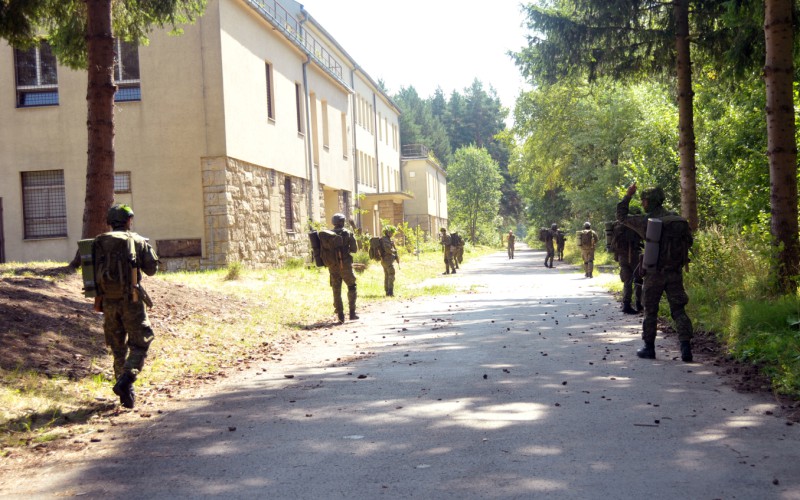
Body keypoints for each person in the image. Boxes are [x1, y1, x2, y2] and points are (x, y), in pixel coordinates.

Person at [617, 183, 694, 362]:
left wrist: (628, 195)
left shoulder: (646, 222)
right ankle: (686, 349)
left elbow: (621, 216)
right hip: (675, 273)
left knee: (650, 311)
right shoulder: (677, 220)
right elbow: (688, 242)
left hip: (654, 274)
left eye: (644, 200)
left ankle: (649, 348)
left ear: (649, 201)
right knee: (679, 310)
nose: (643, 204)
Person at [95, 204, 159, 409]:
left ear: (109, 222)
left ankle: (126, 395)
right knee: (141, 342)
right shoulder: (137, 241)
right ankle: (126, 381)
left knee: (118, 348)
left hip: (108, 303)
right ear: (128, 220)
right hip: (131, 301)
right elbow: (151, 270)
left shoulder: (97, 242)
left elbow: (85, 266)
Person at [328, 213, 359, 323]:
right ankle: (352, 313)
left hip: (332, 267)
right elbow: (354, 249)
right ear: (342, 222)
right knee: (352, 286)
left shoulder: (328, 234)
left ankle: (340, 316)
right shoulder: (347, 233)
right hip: (345, 265)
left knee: (336, 290)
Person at [612, 209, 644, 314]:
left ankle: (626, 304)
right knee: (638, 280)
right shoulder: (635, 225)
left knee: (627, 280)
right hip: (635, 256)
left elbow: (613, 243)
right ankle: (639, 304)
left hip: (622, 256)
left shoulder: (618, 226)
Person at [379, 225, 399, 296]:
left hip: (386, 260)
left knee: (387, 275)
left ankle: (387, 291)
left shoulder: (387, 239)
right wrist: (394, 251)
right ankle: (390, 292)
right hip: (387, 260)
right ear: (387, 232)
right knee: (391, 275)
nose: (392, 234)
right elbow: (388, 250)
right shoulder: (385, 240)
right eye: (391, 232)